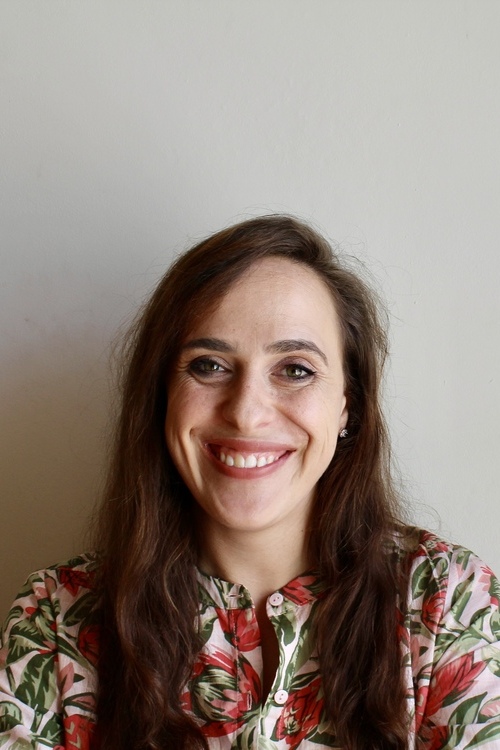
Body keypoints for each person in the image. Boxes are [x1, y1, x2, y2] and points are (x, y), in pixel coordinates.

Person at [1, 216, 499, 750]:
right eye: (209, 365)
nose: (245, 412)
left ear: (346, 406)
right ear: (161, 395)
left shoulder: (446, 603)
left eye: (296, 369)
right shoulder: (55, 620)